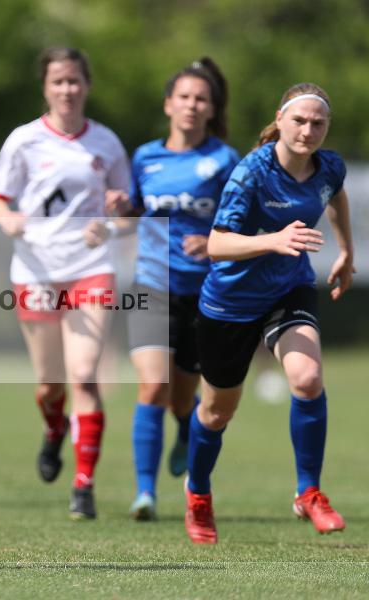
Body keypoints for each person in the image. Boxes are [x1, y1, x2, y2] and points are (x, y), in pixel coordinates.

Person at [183, 83, 354, 544]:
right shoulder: (251, 173)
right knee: (217, 414)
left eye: (318, 123)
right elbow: (217, 244)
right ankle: (197, 494)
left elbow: (335, 194)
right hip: (229, 303)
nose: (308, 130)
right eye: (299, 120)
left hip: (288, 289)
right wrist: (272, 240)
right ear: (280, 119)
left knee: (306, 378)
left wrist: (346, 252)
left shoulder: (329, 166)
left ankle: (309, 492)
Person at [87, 58, 239, 521]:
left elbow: (237, 222)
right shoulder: (146, 156)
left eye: (201, 99)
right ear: (169, 103)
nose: (192, 105)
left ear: (211, 109)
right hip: (151, 282)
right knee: (152, 385)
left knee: (180, 397)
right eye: (185, 97)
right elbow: (134, 212)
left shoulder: (225, 160)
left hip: (205, 292)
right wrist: (120, 207)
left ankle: (184, 424)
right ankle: (145, 494)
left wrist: (213, 243)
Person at [0, 48, 130, 520]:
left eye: (74, 81)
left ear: (86, 85)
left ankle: (83, 485)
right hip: (36, 271)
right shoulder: (24, 140)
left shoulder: (106, 142)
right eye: (58, 82)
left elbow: (127, 215)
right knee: (50, 385)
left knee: (84, 374)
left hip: (90, 268)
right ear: (45, 88)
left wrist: (111, 221)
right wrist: (8, 220)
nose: (67, 90)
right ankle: (53, 432)